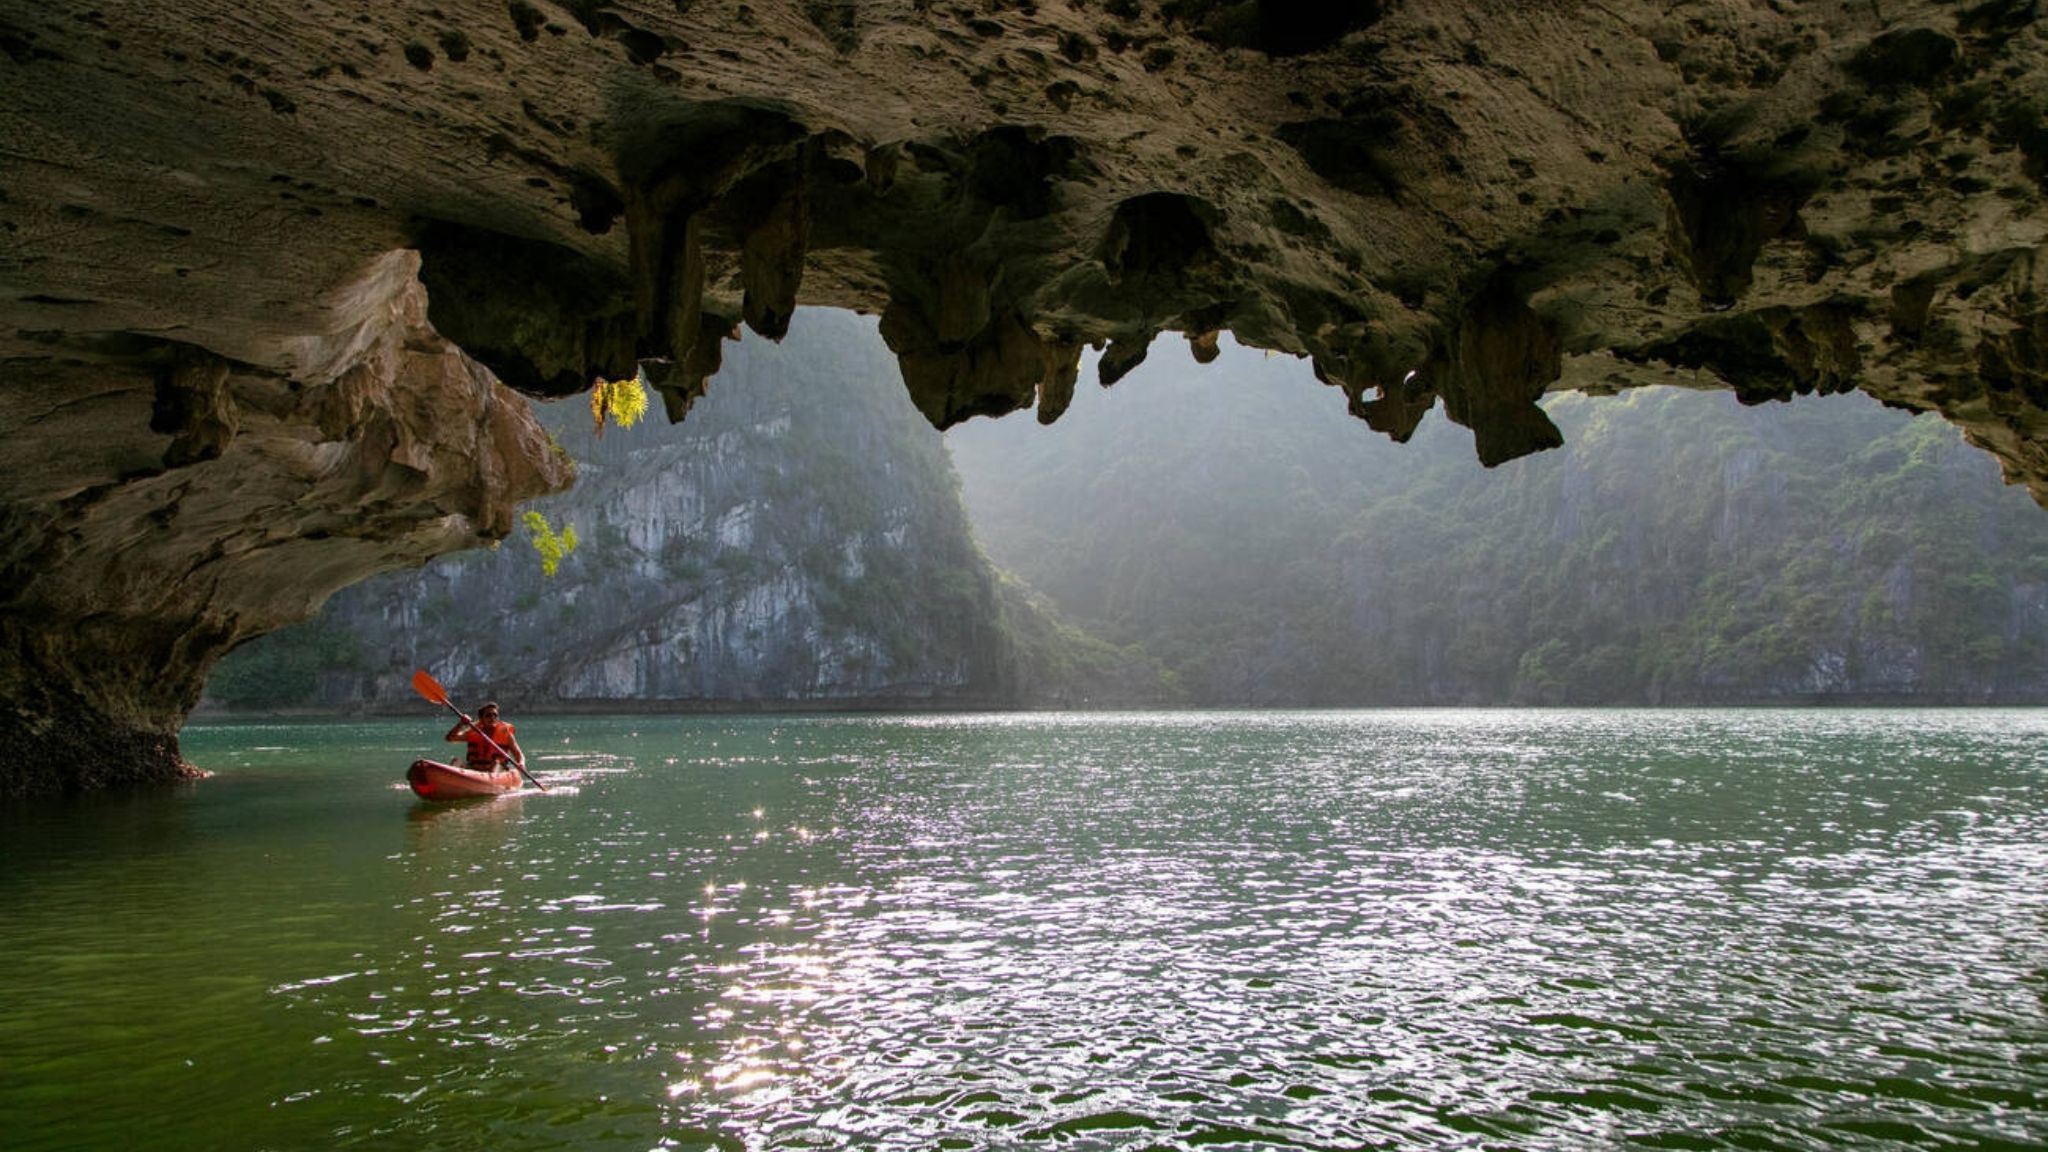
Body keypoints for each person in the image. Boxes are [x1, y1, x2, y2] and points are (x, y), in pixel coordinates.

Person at [445, 701, 525, 773]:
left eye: (495, 715)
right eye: (488, 715)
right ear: (481, 719)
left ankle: (490, 785)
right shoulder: (474, 731)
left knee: (496, 764)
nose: (492, 718)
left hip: (497, 771)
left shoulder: (506, 733)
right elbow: (450, 738)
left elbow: (518, 753)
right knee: (456, 761)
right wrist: (461, 724)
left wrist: (521, 763)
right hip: (474, 769)